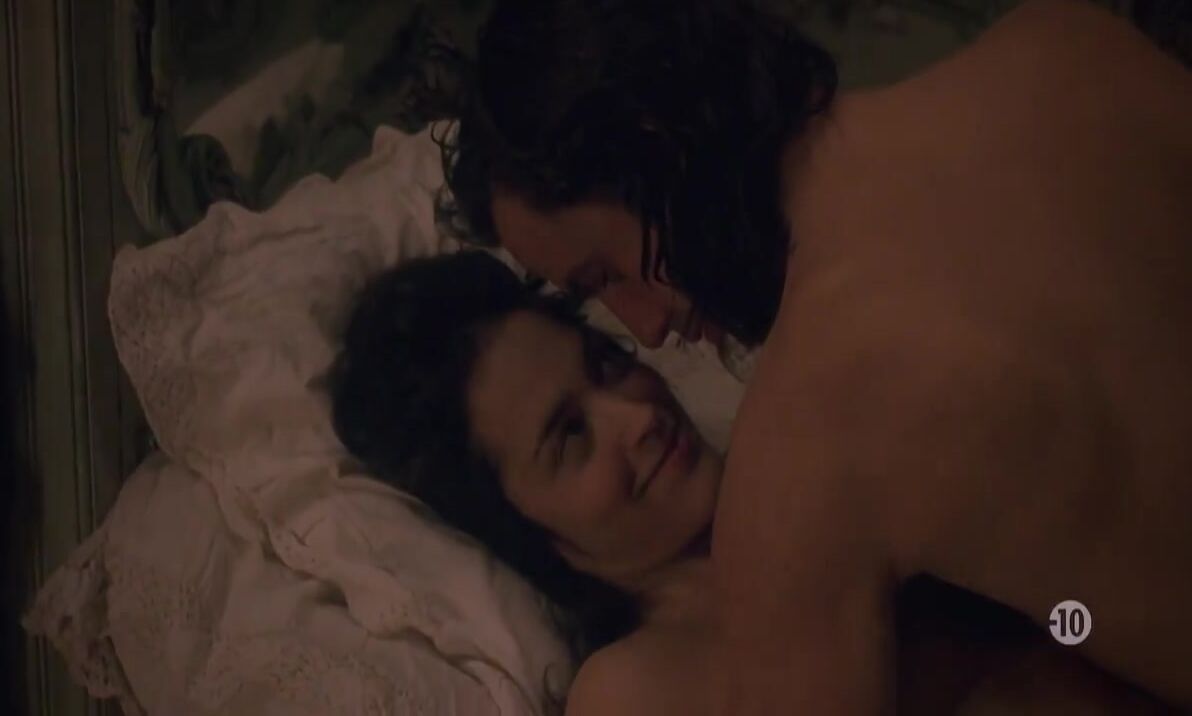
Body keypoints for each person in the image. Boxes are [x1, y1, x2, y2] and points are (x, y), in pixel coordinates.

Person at [437, 0, 1192, 712]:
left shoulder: (805, 460)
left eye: (605, 275)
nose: (650, 327)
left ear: (653, 144)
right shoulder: (1062, 42)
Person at [329, 251, 1176, 715]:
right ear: (531, 532)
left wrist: (1071, 604)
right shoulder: (636, 691)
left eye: (608, 364)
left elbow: (1069, 615)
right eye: (571, 437)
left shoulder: (822, 476)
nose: (637, 415)